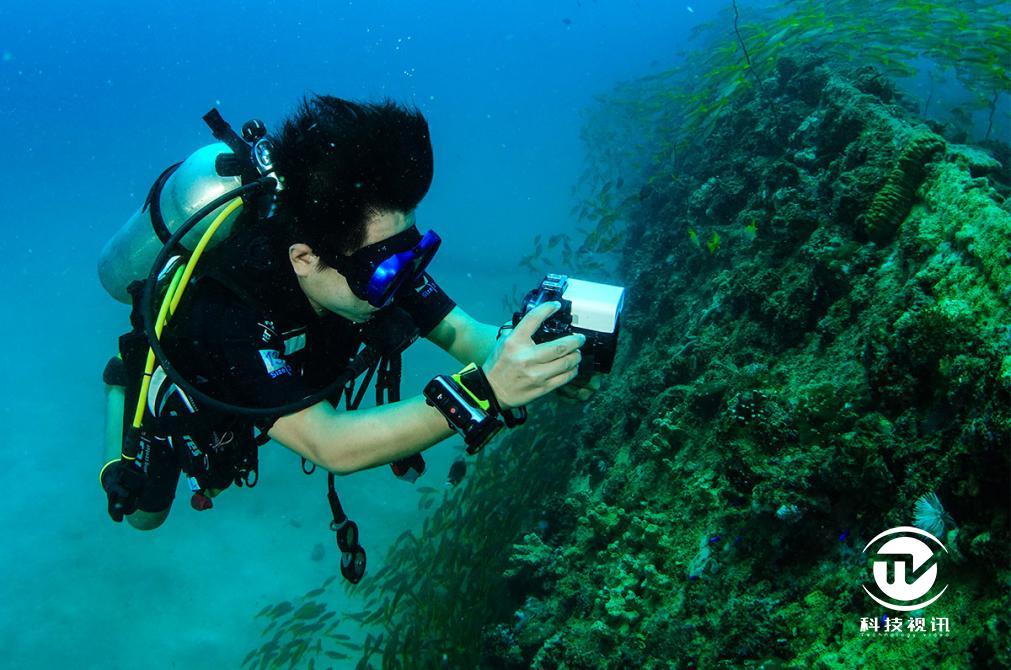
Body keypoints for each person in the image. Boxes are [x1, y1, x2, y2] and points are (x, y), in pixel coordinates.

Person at [100, 95, 600, 542]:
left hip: (289, 355)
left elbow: (466, 334)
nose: (402, 280)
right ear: (304, 260)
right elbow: (329, 443)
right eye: (384, 270)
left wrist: (542, 355)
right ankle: (124, 383)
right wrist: (486, 391)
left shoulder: (373, 258)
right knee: (146, 515)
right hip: (201, 378)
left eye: (414, 253)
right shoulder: (230, 313)